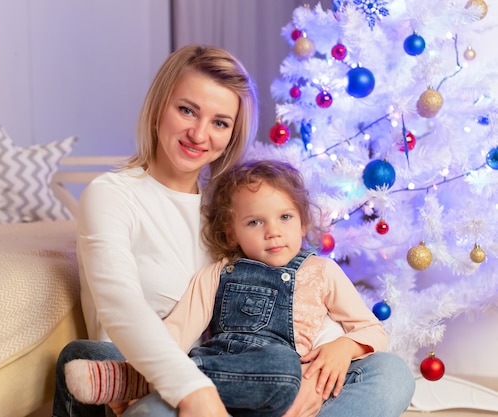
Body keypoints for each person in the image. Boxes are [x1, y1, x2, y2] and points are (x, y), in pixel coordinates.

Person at [53, 44, 414, 417]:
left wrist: (310, 382)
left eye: (220, 122)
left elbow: (293, 311)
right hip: (154, 375)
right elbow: (121, 308)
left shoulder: (232, 210)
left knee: (390, 373)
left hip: (255, 377)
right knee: (90, 359)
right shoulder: (111, 195)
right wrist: (194, 392)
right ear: (160, 106)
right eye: (186, 110)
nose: (199, 133)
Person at [63, 159, 413, 417]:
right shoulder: (217, 274)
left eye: (285, 217)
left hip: (293, 392)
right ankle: (148, 383)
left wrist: (343, 346)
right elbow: (175, 334)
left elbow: (372, 331)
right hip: (217, 396)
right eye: (254, 222)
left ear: (302, 221)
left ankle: (139, 383)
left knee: (392, 373)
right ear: (232, 233)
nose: (273, 231)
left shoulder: (321, 271)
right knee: (90, 361)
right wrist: (159, 370)